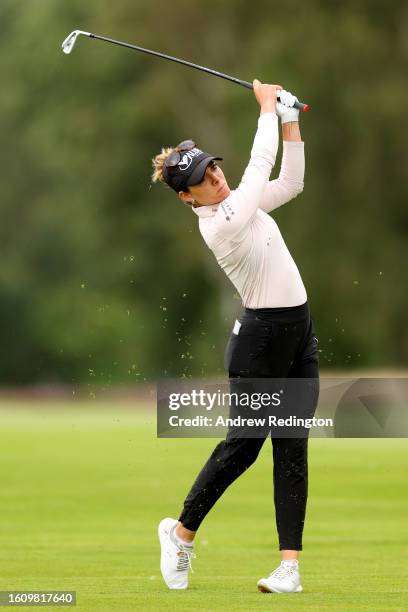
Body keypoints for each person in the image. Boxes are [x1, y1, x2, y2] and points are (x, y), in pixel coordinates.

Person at [151, 79, 319, 594]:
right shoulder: (222, 222)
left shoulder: (240, 205)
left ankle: (288, 568)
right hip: (260, 344)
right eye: (204, 178)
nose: (217, 178)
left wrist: (290, 120)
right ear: (187, 196)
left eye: (214, 167)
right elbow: (257, 167)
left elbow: (289, 183)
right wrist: (267, 108)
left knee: (292, 447)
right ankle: (180, 534)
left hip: (298, 333)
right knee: (244, 448)